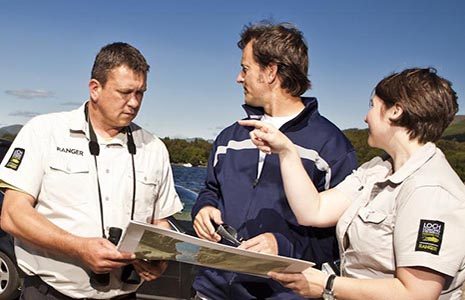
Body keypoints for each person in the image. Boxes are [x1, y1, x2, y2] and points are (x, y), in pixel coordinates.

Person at [241, 67, 465, 299]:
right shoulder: (377, 170)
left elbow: (416, 294)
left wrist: (328, 284)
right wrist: (286, 151)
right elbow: (313, 211)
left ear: (395, 111)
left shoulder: (430, 190)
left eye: (373, 105)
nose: (365, 117)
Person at [0, 42, 183, 299]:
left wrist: (159, 257)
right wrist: (78, 248)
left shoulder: (154, 148)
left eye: (140, 93)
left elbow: (160, 221)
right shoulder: (43, 131)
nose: (134, 103)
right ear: (95, 89)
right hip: (50, 293)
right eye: (125, 92)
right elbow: (12, 214)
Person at [191, 21, 357, 299]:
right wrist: (203, 208)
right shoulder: (229, 137)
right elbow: (211, 189)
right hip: (209, 290)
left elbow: (343, 241)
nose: (238, 78)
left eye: (245, 68)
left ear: (270, 72)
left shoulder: (333, 147)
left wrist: (282, 245)